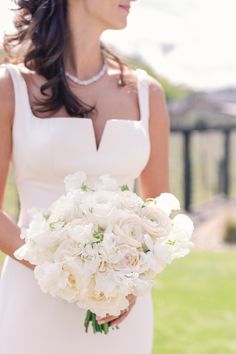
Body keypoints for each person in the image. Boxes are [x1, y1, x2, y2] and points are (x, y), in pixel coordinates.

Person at [0, 0, 170, 353]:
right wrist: (72, 274)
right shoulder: (10, 88)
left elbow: (161, 211)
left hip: (120, 307)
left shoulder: (146, 93)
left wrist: (127, 279)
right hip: (33, 298)